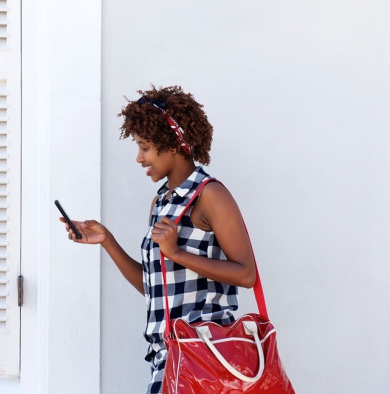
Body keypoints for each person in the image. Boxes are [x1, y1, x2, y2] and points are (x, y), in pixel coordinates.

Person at [60, 85, 257, 394]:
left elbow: (246, 274)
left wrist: (177, 253)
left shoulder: (211, 196)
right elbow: (156, 288)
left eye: (145, 147)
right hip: (167, 359)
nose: (139, 158)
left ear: (174, 142)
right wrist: (107, 241)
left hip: (207, 358)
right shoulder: (161, 203)